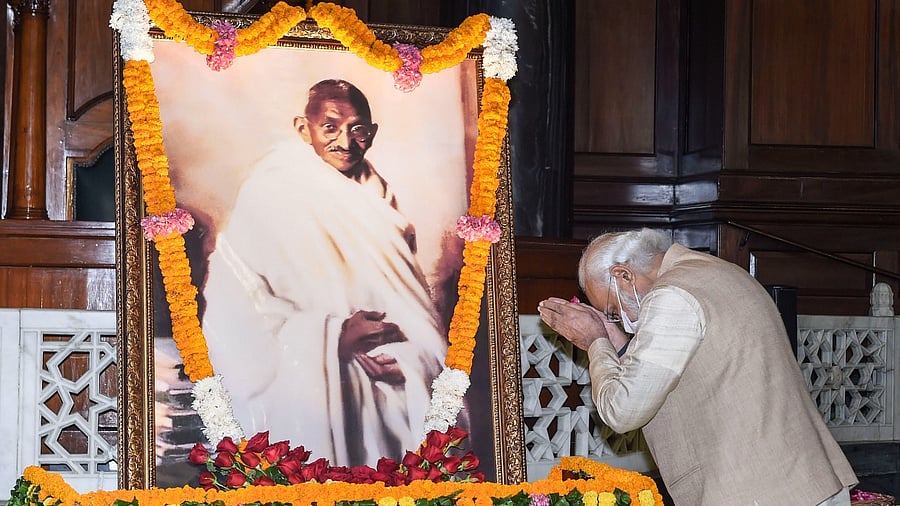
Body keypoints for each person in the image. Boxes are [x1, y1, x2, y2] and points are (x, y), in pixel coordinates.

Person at [199, 79, 447, 468]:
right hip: (311, 383)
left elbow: (410, 302)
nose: (346, 142)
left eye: (358, 130)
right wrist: (333, 337)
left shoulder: (380, 196)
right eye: (330, 127)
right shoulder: (270, 189)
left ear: (372, 133)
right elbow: (237, 298)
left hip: (388, 387)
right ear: (303, 128)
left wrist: (415, 358)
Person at [537, 228, 858, 505]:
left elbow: (622, 411)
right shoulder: (718, 272)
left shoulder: (671, 296)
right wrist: (615, 341)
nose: (618, 318)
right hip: (800, 481)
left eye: (612, 309)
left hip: (754, 490)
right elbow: (684, 367)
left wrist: (595, 342)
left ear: (624, 274)